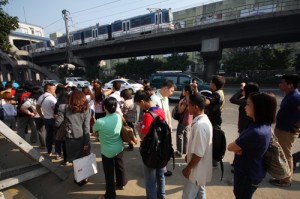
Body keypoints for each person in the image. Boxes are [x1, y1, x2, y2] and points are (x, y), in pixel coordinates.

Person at [228, 92, 277, 199]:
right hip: (250, 170)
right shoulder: (259, 124)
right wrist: (239, 147)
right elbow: (238, 146)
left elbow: (230, 147)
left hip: (247, 174)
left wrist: (238, 147)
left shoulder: (256, 132)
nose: (245, 106)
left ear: (259, 108)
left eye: (248, 104)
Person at [93, 97, 128, 199]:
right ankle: (121, 184)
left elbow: (94, 131)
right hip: (119, 147)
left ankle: (110, 194)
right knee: (120, 165)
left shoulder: (100, 121)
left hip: (107, 150)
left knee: (109, 173)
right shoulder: (118, 116)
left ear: (104, 108)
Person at [134, 90, 166, 199]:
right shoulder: (160, 110)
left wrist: (138, 129)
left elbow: (143, 136)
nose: (140, 107)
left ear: (142, 101)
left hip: (150, 151)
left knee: (150, 179)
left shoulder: (148, 115)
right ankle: (161, 195)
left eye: (139, 104)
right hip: (161, 148)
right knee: (160, 175)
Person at [269, 74, 300, 187]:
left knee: (286, 155)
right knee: (281, 152)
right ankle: (282, 175)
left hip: (287, 131)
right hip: (282, 129)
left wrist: (297, 126)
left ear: (290, 85)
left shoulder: (296, 97)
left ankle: (286, 180)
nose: (280, 84)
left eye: (283, 82)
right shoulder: (290, 95)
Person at [55, 90, 91, 185]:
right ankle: (85, 177)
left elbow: (57, 123)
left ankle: (79, 178)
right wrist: (86, 142)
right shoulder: (86, 109)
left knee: (76, 160)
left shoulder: (63, 108)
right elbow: (87, 127)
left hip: (71, 138)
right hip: (83, 138)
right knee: (84, 158)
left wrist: (56, 117)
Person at [182, 93, 213, 199]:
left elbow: (199, 153)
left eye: (189, 105)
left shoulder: (200, 126)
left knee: (187, 196)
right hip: (199, 169)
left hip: (196, 170)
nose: (187, 108)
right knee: (200, 193)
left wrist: (188, 168)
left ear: (195, 107)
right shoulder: (203, 121)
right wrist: (188, 156)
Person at [151, 80, 175, 176]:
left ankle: (162, 169)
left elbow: (167, 111)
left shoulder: (165, 98)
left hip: (165, 127)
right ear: (165, 88)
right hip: (158, 128)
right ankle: (156, 169)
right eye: (171, 91)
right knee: (157, 148)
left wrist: (169, 123)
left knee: (164, 148)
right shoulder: (154, 98)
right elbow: (153, 115)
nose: (172, 93)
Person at [204, 75, 225, 167]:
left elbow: (207, 102)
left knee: (214, 139)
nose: (210, 84)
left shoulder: (216, 94)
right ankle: (213, 158)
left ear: (213, 84)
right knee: (213, 138)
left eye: (210, 82)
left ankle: (214, 160)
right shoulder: (220, 92)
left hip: (214, 120)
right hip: (215, 118)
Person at [36, 83, 59, 157]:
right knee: (57, 137)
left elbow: (37, 107)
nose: (54, 90)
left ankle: (49, 151)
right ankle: (57, 153)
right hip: (53, 120)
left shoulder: (41, 97)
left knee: (48, 136)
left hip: (46, 119)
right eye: (53, 89)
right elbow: (57, 110)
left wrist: (42, 116)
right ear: (48, 89)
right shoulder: (52, 99)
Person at [175, 85, 193, 158]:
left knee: (179, 135)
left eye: (183, 90)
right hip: (189, 120)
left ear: (187, 92)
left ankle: (179, 152)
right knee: (186, 135)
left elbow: (180, 111)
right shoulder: (192, 99)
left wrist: (179, 103)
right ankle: (185, 150)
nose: (182, 91)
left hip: (183, 120)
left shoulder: (185, 101)